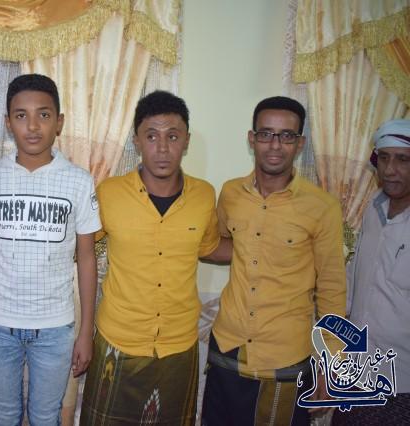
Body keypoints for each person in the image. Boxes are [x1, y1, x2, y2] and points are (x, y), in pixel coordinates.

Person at [80, 91, 231, 425]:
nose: (162, 148)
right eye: (151, 136)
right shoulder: (109, 193)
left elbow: (210, 247)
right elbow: (82, 247)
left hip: (179, 345)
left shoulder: (204, 195)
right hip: (118, 339)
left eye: (172, 136)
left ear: (186, 141)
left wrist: (267, 246)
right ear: (137, 141)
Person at [0, 73, 100, 425]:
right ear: (8, 122)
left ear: (59, 122)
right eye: (21, 115)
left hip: (55, 327)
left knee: (45, 417)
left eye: (44, 114)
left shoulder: (79, 181)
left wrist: (86, 331)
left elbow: (86, 259)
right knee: (4, 416)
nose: (33, 126)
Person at [201, 96, 346, 425]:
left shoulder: (322, 207)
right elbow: (223, 244)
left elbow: (332, 289)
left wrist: (331, 364)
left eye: (286, 136)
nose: (275, 145)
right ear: (252, 139)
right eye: (266, 134)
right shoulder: (231, 193)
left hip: (285, 357)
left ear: (300, 143)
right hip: (227, 347)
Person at [332, 119, 410, 424]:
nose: (390, 170)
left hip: (402, 382)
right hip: (357, 369)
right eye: (384, 158)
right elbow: (355, 278)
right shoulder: (373, 208)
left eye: (402, 160)